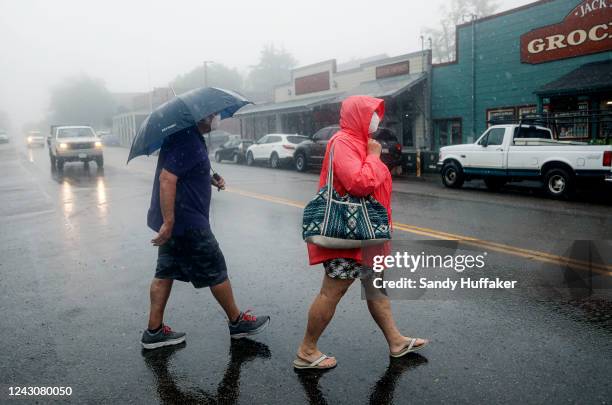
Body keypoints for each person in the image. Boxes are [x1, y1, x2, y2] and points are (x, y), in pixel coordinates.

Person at [294, 96, 428, 369]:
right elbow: (359, 184)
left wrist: (371, 154)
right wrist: (375, 158)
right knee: (332, 292)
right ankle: (306, 351)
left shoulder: (361, 142)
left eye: (377, 114)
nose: (377, 119)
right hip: (348, 234)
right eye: (371, 114)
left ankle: (395, 340)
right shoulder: (343, 142)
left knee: (375, 288)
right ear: (357, 116)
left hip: (367, 236)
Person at [141, 114, 270, 349]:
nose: (216, 119)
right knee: (216, 269)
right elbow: (167, 178)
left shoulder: (187, 137)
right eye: (212, 116)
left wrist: (211, 178)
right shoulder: (188, 141)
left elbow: (187, 171)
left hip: (179, 222)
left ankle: (154, 331)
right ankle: (237, 322)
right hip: (188, 221)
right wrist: (169, 222)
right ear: (200, 117)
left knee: (164, 273)